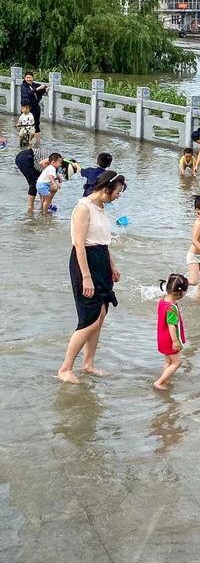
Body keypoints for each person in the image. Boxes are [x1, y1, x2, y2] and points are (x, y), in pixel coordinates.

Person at [57, 170, 126, 384]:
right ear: (106, 189)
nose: (118, 196)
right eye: (117, 192)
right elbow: (79, 245)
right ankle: (65, 369)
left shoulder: (100, 207)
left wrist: (112, 265)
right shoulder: (83, 208)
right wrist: (86, 277)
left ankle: (88, 364)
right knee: (89, 318)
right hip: (84, 263)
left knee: (101, 314)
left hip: (101, 260)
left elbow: (102, 241)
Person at [154, 274, 189, 390]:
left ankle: (166, 381)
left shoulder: (162, 301)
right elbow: (171, 325)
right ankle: (159, 382)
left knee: (168, 362)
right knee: (177, 362)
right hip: (169, 339)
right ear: (180, 292)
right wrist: (175, 341)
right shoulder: (171, 307)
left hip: (162, 336)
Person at [21, 72, 48, 146]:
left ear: (32, 78)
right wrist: (38, 88)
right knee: (26, 125)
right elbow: (29, 93)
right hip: (26, 108)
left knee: (36, 125)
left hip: (35, 107)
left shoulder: (35, 85)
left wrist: (45, 89)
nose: (28, 79)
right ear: (24, 78)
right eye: (27, 77)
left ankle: (37, 143)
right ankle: (25, 142)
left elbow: (41, 90)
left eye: (30, 77)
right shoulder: (23, 86)